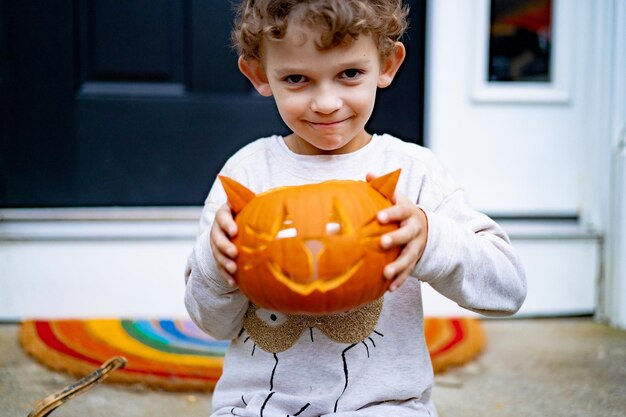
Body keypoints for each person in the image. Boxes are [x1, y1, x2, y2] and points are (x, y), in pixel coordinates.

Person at [184, 0, 527, 415]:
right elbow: (211, 323)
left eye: (349, 74)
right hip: (262, 405)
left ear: (387, 64)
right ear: (259, 74)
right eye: (297, 78)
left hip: (382, 405)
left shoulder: (410, 172)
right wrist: (216, 263)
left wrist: (430, 238)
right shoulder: (245, 178)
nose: (326, 102)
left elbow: (507, 289)